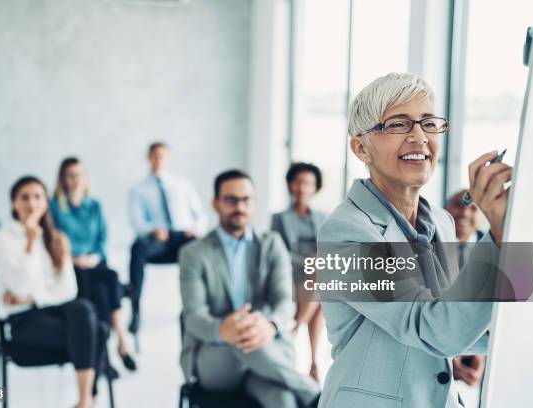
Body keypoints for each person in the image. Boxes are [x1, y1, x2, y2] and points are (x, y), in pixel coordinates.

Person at [317, 73, 511, 407]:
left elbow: (456, 316)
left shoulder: (441, 221)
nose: (419, 137)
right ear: (361, 147)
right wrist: (499, 237)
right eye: (398, 125)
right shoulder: (344, 234)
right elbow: (435, 328)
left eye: (428, 123)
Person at [179, 170, 320, 408]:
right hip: (215, 357)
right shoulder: (193, 253)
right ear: (216, 204)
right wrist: (223, 330)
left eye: (246, 200)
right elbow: (193, 316)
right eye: (231, 200)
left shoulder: (271, 244)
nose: (240, 207)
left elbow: (284, 302)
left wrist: (269, 324)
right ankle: (317, 395)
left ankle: (312, 395)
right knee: (240, 336)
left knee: (284, 401)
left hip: (265, 354)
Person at [0, 176, 105, 408]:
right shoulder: (2, 240)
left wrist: (33, 298)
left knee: (83, 309)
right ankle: (88, 401)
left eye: (38, 197)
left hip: (56, 317)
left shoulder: (57, 239)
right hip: (24, 324)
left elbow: (68, 290)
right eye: (24, 197)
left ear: (46, 202)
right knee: (98, 332)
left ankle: (84, 401)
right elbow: (20, 286)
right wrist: (30, 246)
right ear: (14, 203)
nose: (32, 203)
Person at [50, 157, 136, 373]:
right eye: (71, 175)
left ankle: (110, 350)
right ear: (63, 179)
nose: (76, 179)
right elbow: (53, 242)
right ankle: (118, 348)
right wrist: (72, 259)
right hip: (69, 266)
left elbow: (101, 241)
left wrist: (93, 258)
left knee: (105, 285)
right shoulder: (54, 207)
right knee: (102, 287)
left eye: (80, 174)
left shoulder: (95, 206)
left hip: (93, 263)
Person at [128, 142, 207, 333]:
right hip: (159, 240)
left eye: (162, 156)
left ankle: (198, 306)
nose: (158, 160)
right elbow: (138, 223)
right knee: (138, 247)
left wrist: (196, 229)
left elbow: (201, 214)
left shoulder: (182, 183)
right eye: (154, 156)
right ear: (149, 158)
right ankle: (135, 310)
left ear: (167, 158)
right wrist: (153, 230)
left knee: (200, 248)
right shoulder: (139, 190)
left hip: (183, 237)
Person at [270, 162, 326, 382]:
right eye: (298, 182)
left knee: (322, 279)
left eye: (308, 183)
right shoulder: (279, 218)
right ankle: (313, 362)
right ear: (291, 185)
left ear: (315, 187)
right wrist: (308, 260)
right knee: (322, 284)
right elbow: (278, 251)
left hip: (316, 275)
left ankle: (296, 331)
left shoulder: (323, 217)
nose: (303, 187)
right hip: (290, 273)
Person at [446, 189, 487, 401]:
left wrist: (480, 356)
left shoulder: (495, 252)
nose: (463, 213)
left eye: (472, 207)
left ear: (483, 215)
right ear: (445, 209)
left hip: (478, 360)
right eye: (457, 204)